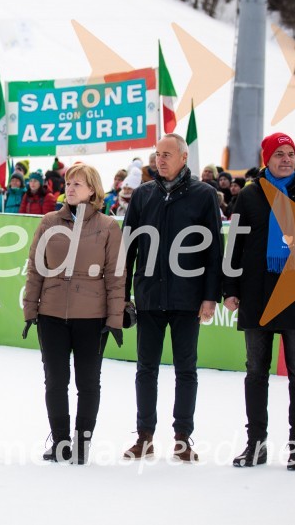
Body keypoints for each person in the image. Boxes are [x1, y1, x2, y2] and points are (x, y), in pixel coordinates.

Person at [223, 133, 295, 471]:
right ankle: (255, 445)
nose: (286, 159)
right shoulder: (250, 195)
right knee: (255, 371)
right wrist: (230, 288)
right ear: (267, 158)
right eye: (279, 154)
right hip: (256, 294)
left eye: (290, 154)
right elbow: (235, 245)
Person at [122, 133, 223, 463]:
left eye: (166, 154)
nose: (159, 159)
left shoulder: (204, 195)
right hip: (149, 296)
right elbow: (127, 249)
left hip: (187, 298)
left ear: (183, 157)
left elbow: (214, 251)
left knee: (186, 370)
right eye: (157, 154)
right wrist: (122, 295)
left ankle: (182, 438)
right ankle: (144, 437)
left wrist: (210, 297)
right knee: (145, 369)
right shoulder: (142, 195)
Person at [23, 163, 125, 464]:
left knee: (88, 383)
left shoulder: (108, 226)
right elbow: (35, 269)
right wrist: (30, 309)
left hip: (92, 318)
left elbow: (116, 277)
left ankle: (82, 444)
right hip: (51, 314)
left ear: (92, 190)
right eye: (68, 183)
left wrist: (114, 318)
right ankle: (60, 442)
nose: (70, 188)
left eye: (77, 184)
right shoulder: (49, 222)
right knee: (55, 381)